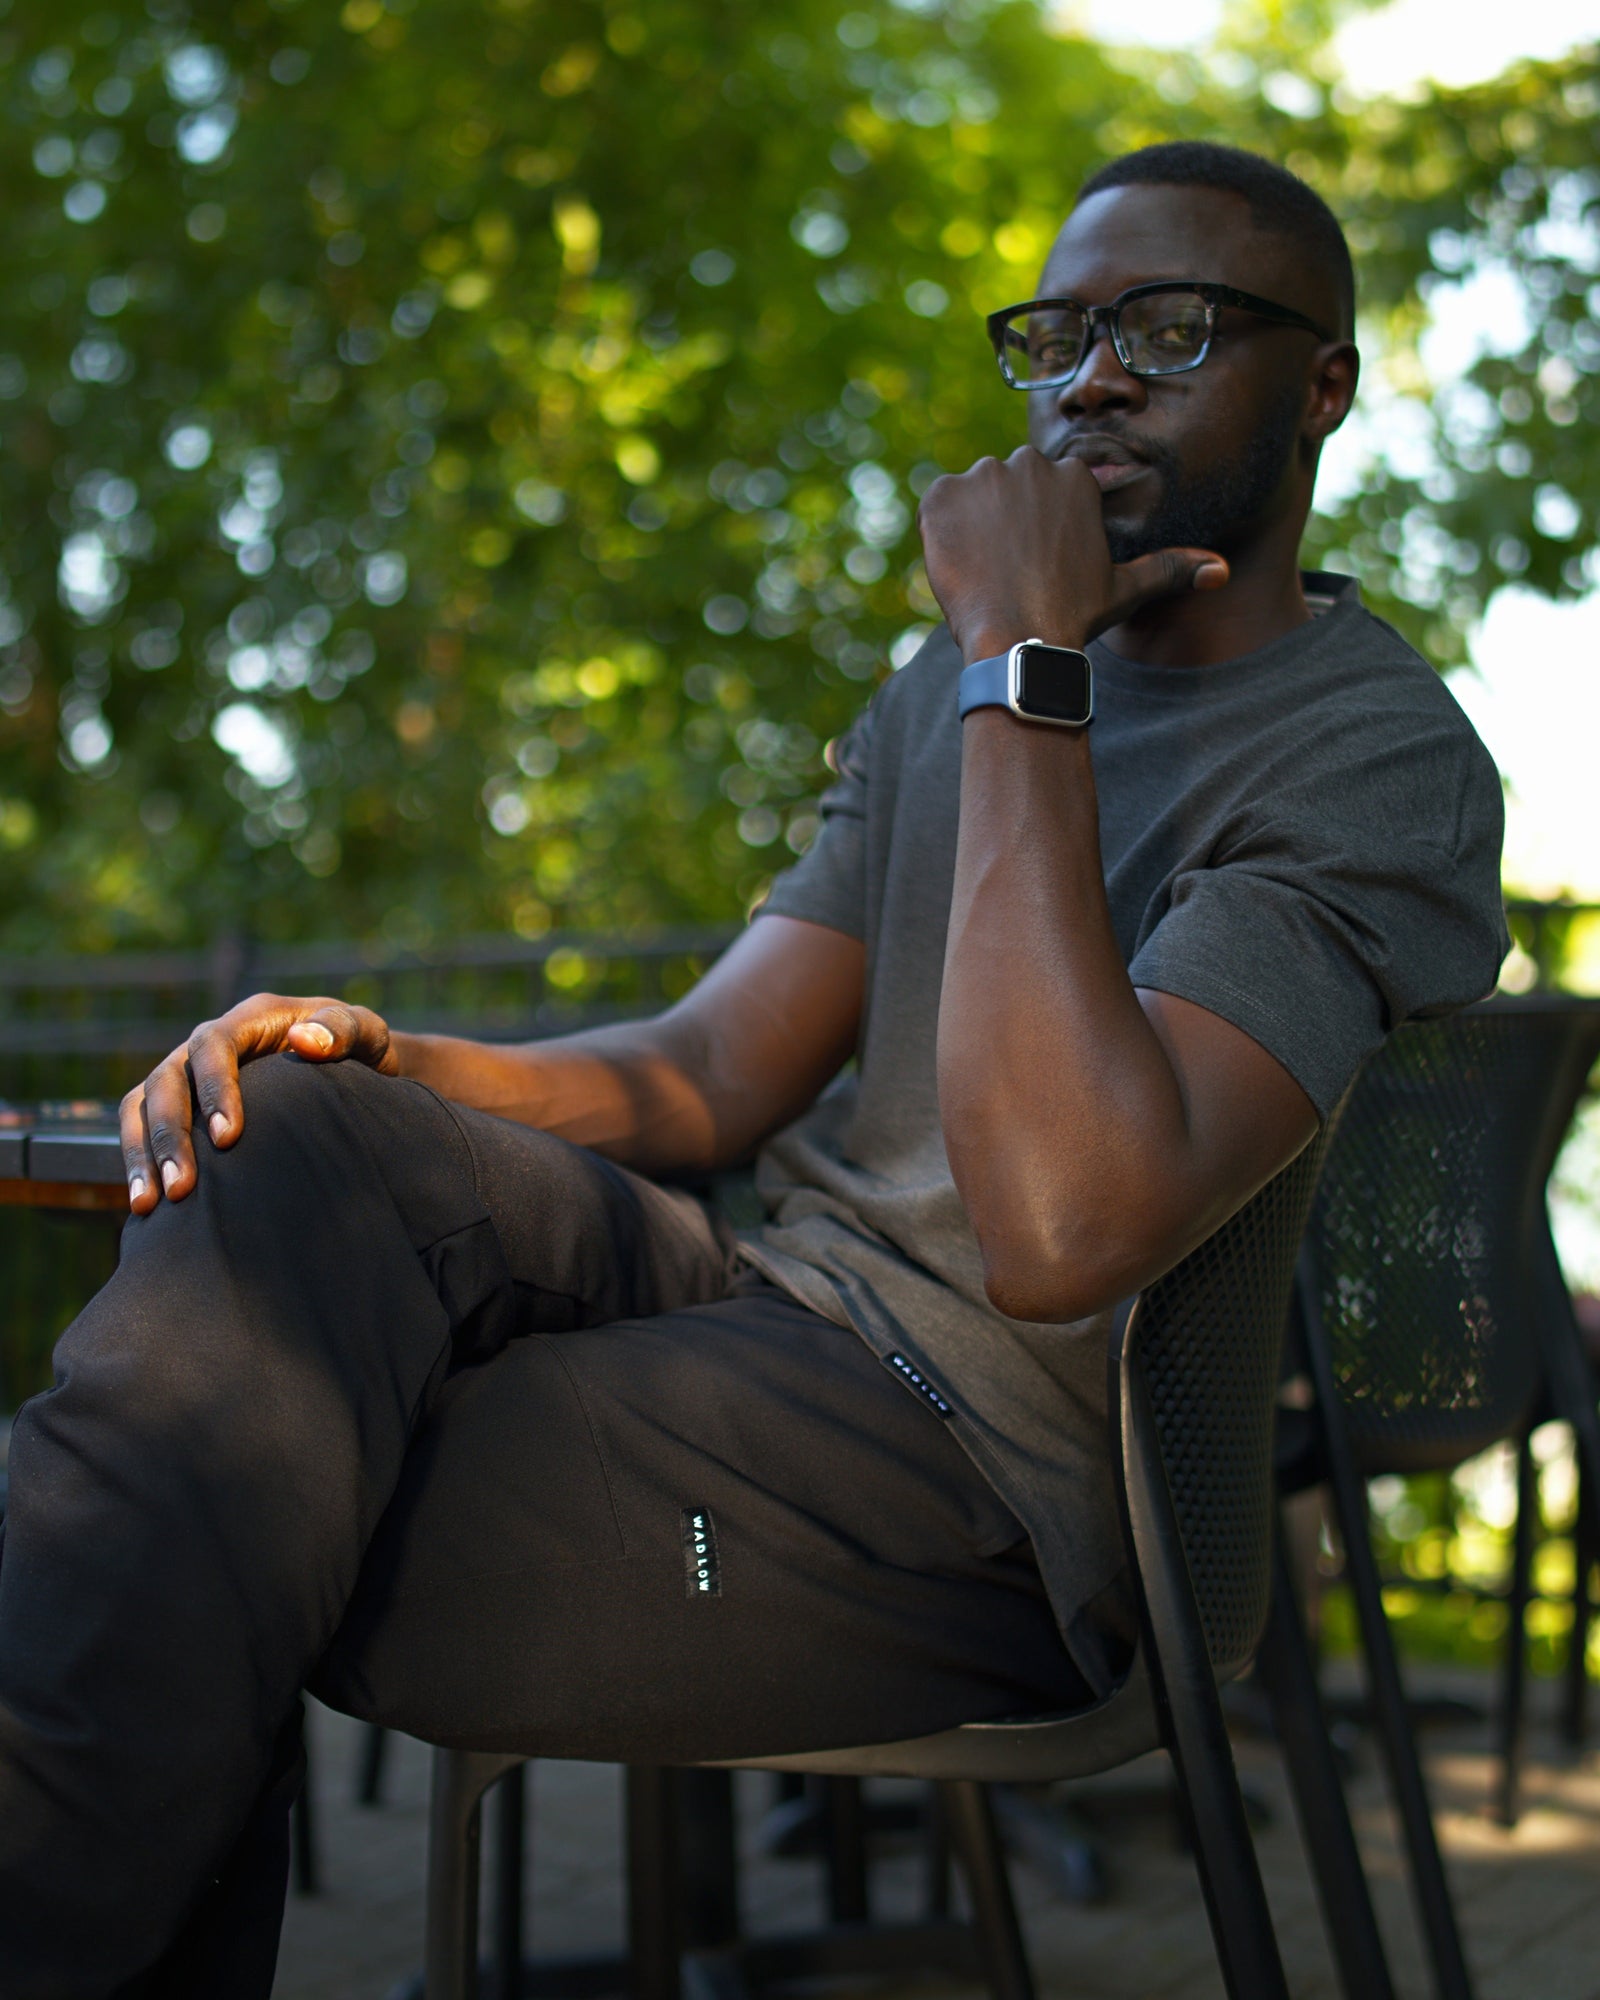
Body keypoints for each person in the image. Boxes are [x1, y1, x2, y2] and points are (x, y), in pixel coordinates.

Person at [0, 141, 1507, 1997]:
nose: (1091, 381)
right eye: (1054, 338)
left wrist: (1022, 666)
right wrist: (393, 1061)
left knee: (202, 1493)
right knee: (288, 1157)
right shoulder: (943, 692)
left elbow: (1061, 1231)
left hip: (986, 1482)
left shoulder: (1366, 754)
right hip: (767, 1303)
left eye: (1169, 329)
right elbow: (715, 1065)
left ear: (1324, 383)